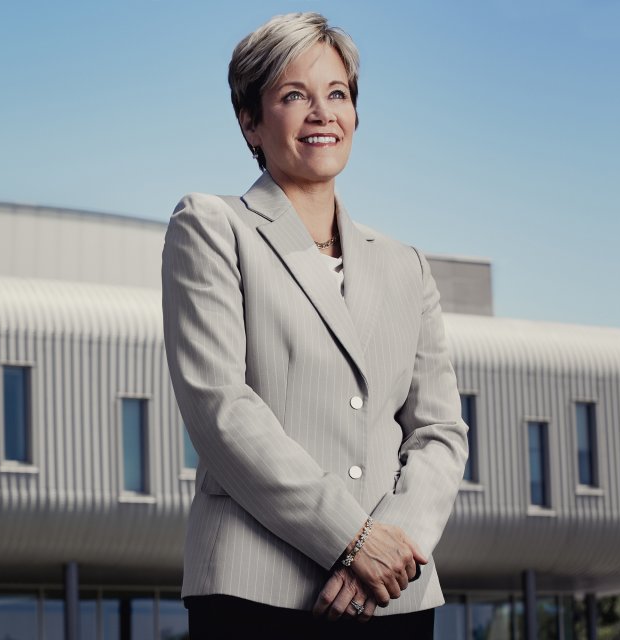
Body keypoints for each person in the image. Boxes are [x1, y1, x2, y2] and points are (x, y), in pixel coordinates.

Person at [160, 12, 469, 639]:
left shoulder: (404, 264)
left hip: (393, 597)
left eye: (338, 94)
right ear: (250, 120)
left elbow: (439, 432)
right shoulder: (212, 226)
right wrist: (352, 539)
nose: (322, 112)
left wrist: (391, 547)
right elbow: (221, 409)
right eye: (293, 95)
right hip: (257, 590)